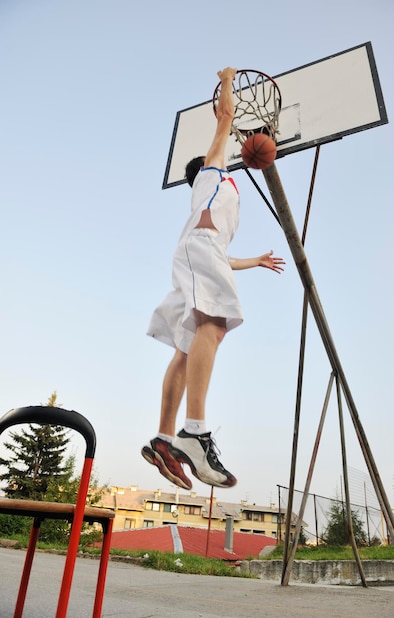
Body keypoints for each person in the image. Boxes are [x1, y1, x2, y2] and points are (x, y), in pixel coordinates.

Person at [142, 67, 285, 490]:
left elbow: (221, 256)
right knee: (214, 325)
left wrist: (255, 261)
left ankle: (164, 440)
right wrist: (228, 81)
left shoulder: (220, 201)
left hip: (204, 253)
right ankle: (195, 431)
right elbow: (225, 117)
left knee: (188, 348)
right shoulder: (213, 173)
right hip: (200, 250)